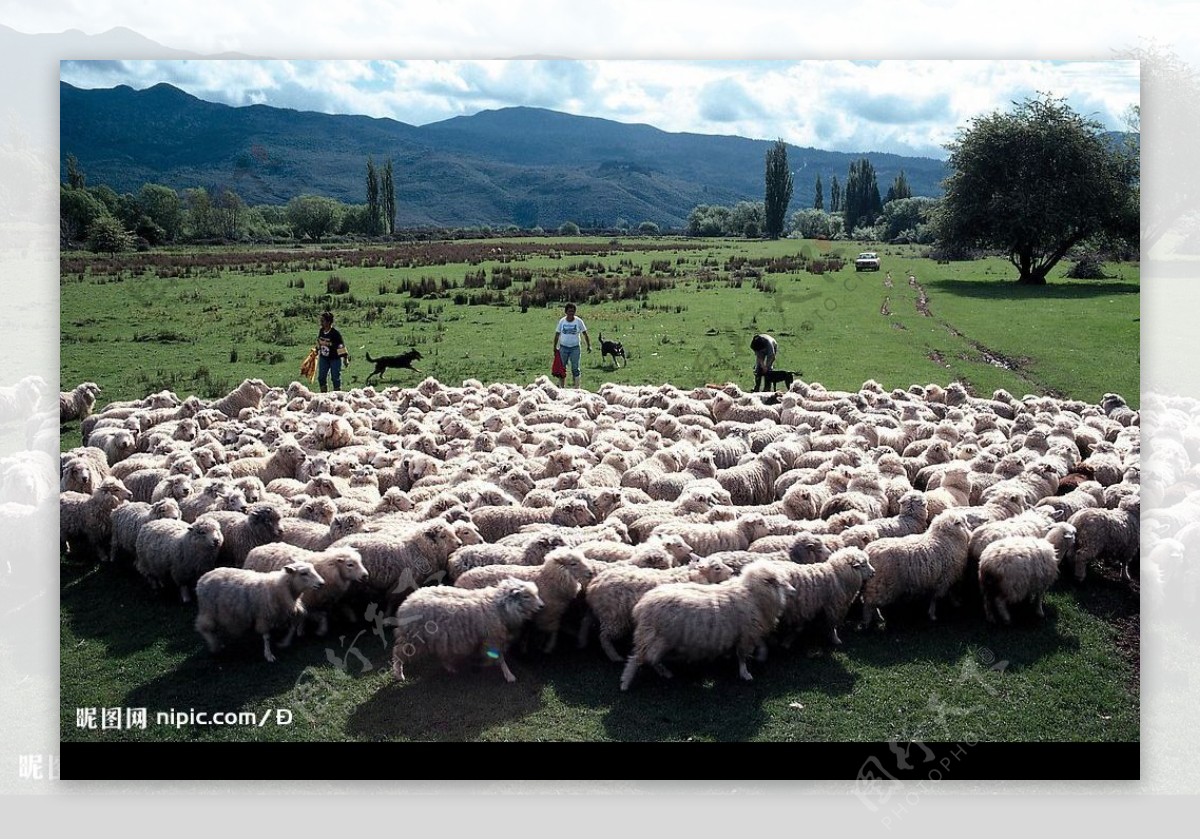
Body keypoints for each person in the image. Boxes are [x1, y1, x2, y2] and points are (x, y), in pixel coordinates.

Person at [552, 303, 591, 388]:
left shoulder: (578, 321)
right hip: (563, 347)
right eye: (569, 311)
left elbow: (585, 333)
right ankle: (562, 387)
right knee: (562, 368)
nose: (571, 313)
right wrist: (555, 347)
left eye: (573, 311)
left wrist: (589, 345)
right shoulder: (562, 321)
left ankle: (577, 387)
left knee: (575, 368)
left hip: (575, 348)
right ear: (566, 312)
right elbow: (557, 334)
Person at [316, 311, 350, 392]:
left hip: (334, 359)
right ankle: (324, 395)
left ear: (328, 322)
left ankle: (337, 397)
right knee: (321, 377)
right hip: (324, 358)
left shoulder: (335, 334)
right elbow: (319, 341)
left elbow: (341, 346)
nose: (321, 323)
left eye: (323, 321)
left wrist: (345, 359)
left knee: (335, 378)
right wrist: (317, 349)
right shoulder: (321, 331)